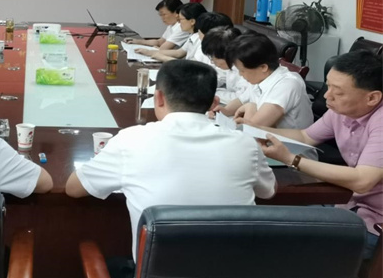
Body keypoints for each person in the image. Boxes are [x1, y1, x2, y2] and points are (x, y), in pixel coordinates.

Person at [65, 59, 275, 259]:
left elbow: (74, 188)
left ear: (158, 98)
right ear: (214, 103)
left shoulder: (131, 140)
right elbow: (268, 191)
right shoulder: (246, 144)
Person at [257, 50, 382, 261]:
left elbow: (362, 181)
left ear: (372, 97)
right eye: (328, 86)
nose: (326, 95)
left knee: (286, 243)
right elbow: (305, 136)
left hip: (376, 223)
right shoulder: (340, 112)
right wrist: (254, 129)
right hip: (349, 203)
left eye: (338, 92)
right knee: (273, 222)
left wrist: (291, 159)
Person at [217, 33, 313, 129]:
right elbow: (242, 99)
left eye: (242, 70)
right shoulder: (260, 77)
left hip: (285, 138)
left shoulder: (287, 84)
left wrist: (250, 107)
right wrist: (224, 111)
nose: (240, 74)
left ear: (263, 67)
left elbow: (254, 128)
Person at [135, 2, 207, 62]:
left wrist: (161, 57)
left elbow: (191, 65)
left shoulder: (203, 39)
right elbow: (178, 53)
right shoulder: (194, 35)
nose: (178, 22)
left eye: (180, 19)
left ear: (192, 21)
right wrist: (149, 52)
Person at [201, 26, 250, 104]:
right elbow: (219, 77)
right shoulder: (229, 64)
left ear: (227, 54)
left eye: (213, 58)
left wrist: (211, 93)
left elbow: (241, 99)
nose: (212, 62)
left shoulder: (247, 69)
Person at [124, 0, 188, 50]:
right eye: (160, 15)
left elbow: (163, 48)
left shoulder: (182, 27)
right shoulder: (171, 25)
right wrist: (137, 41)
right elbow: (159, 42)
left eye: (164, 14)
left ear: (176, 13)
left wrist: (154, 49)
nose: (162, 18)